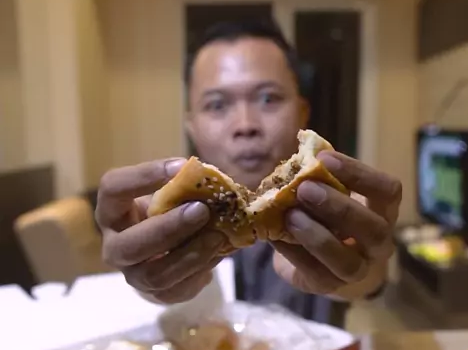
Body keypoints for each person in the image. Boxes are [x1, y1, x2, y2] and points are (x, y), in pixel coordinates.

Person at [95, 20, 402, 324]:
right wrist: (150, 277)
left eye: (268, 98)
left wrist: (361, 266)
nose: (245, 125)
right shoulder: (168, 215)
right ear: (192, 127)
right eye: (217, 105)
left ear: (302, 113)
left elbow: (369, 281)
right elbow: (148, 293)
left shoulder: (333, 206)